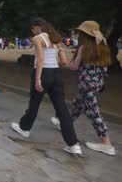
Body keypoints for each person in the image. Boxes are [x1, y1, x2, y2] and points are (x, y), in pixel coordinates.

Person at [11, 18, 81, 155]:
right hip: (56, 74)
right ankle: (74, 144)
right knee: (62, 110)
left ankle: (24, 129)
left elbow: (40, 59)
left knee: (34, 103)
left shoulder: (37, 38)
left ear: (36, 27)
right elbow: (64, 61)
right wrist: (54, 66)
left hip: (43, 73)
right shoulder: (57, 39)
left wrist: (38, 79)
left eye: (32, 29)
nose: (32, 32)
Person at [51, 21, 116, 156]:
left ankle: (107, 144)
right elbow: (105, 68)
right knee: (78, 104)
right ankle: (64, 123)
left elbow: (74, 67)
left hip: (86, 84)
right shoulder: (103, 47)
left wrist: (66, 63)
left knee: (94, 114)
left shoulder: (84, 48)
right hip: (97, 83)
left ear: (85, 34)